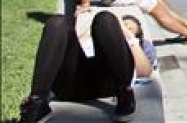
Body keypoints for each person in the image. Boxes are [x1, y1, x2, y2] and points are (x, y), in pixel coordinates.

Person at [18, 10, 156, 123]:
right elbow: (67, 43)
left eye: (130, 27)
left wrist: (128, 37)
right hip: (71, 82)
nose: (124, 27)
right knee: (58, 22)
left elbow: (145, 70)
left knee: (105, 18)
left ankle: (125, 96)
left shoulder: (137, 45)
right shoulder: (95, 33)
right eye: (123, 24)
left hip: (107, 84)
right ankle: (36, 103)